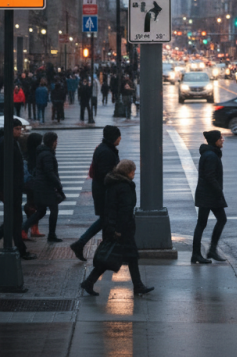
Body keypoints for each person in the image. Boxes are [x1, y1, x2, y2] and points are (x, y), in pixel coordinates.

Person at [80, 159, 153, 296]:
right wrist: (118, 230)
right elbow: (124, 210)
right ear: (128, 172)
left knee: (118, 256)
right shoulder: (124, 187)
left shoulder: (114, 183)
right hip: (123, 229)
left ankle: (90, 282)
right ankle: (137, 286)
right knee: (124, 256)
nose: (134, 174)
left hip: (116, 226)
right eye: (133, 171)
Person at [0, 119, 36, 260]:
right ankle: (19, 250)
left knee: (14, 219)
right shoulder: (6, 143)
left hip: (14, 187)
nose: (20, 131)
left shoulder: (11, 142)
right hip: (10, 188)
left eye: (20, 128)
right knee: (15, 219)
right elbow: (0, 168)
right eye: (17, 129)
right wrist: (0, 190)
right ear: (9, 129)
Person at [70, 125, 121, 261]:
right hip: (103, 191)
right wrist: (120, 177)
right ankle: (83, 244)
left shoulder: (105, 148)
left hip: (102, 189)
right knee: (106, 219)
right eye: (118, 136)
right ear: (113, 137)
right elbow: (105, 174)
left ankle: (103, 249)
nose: (120, 138)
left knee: (106, 220)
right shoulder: (106, 151)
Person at [191, 130, 228, 264]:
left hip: (206, 194)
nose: (222, 140)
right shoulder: (211, 156)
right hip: (209, 195)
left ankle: (200, 253)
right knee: (218, 220)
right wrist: (219, 191)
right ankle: (206, 251)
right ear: (215, 141)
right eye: (220, 138)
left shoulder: (210, 153)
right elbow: (210, 176)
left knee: (203, 223)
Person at [23, 132, 65, 242]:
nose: (57, 143)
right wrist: (58, 185)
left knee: (41, 211)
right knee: (53, 210)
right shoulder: (47, 155)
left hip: (41, 186)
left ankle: (24, 228)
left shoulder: (43, 153)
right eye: (56, 141)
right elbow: (50, 172)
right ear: (52, 142)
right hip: (46, 187)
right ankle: (51, 235)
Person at [23, 132, 43, 238]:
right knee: (37, 207)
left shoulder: (26, 154)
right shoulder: (38, 154)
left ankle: (32, 229)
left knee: (31, 205)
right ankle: (30, 229)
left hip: (28, 184)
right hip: (35, 184)